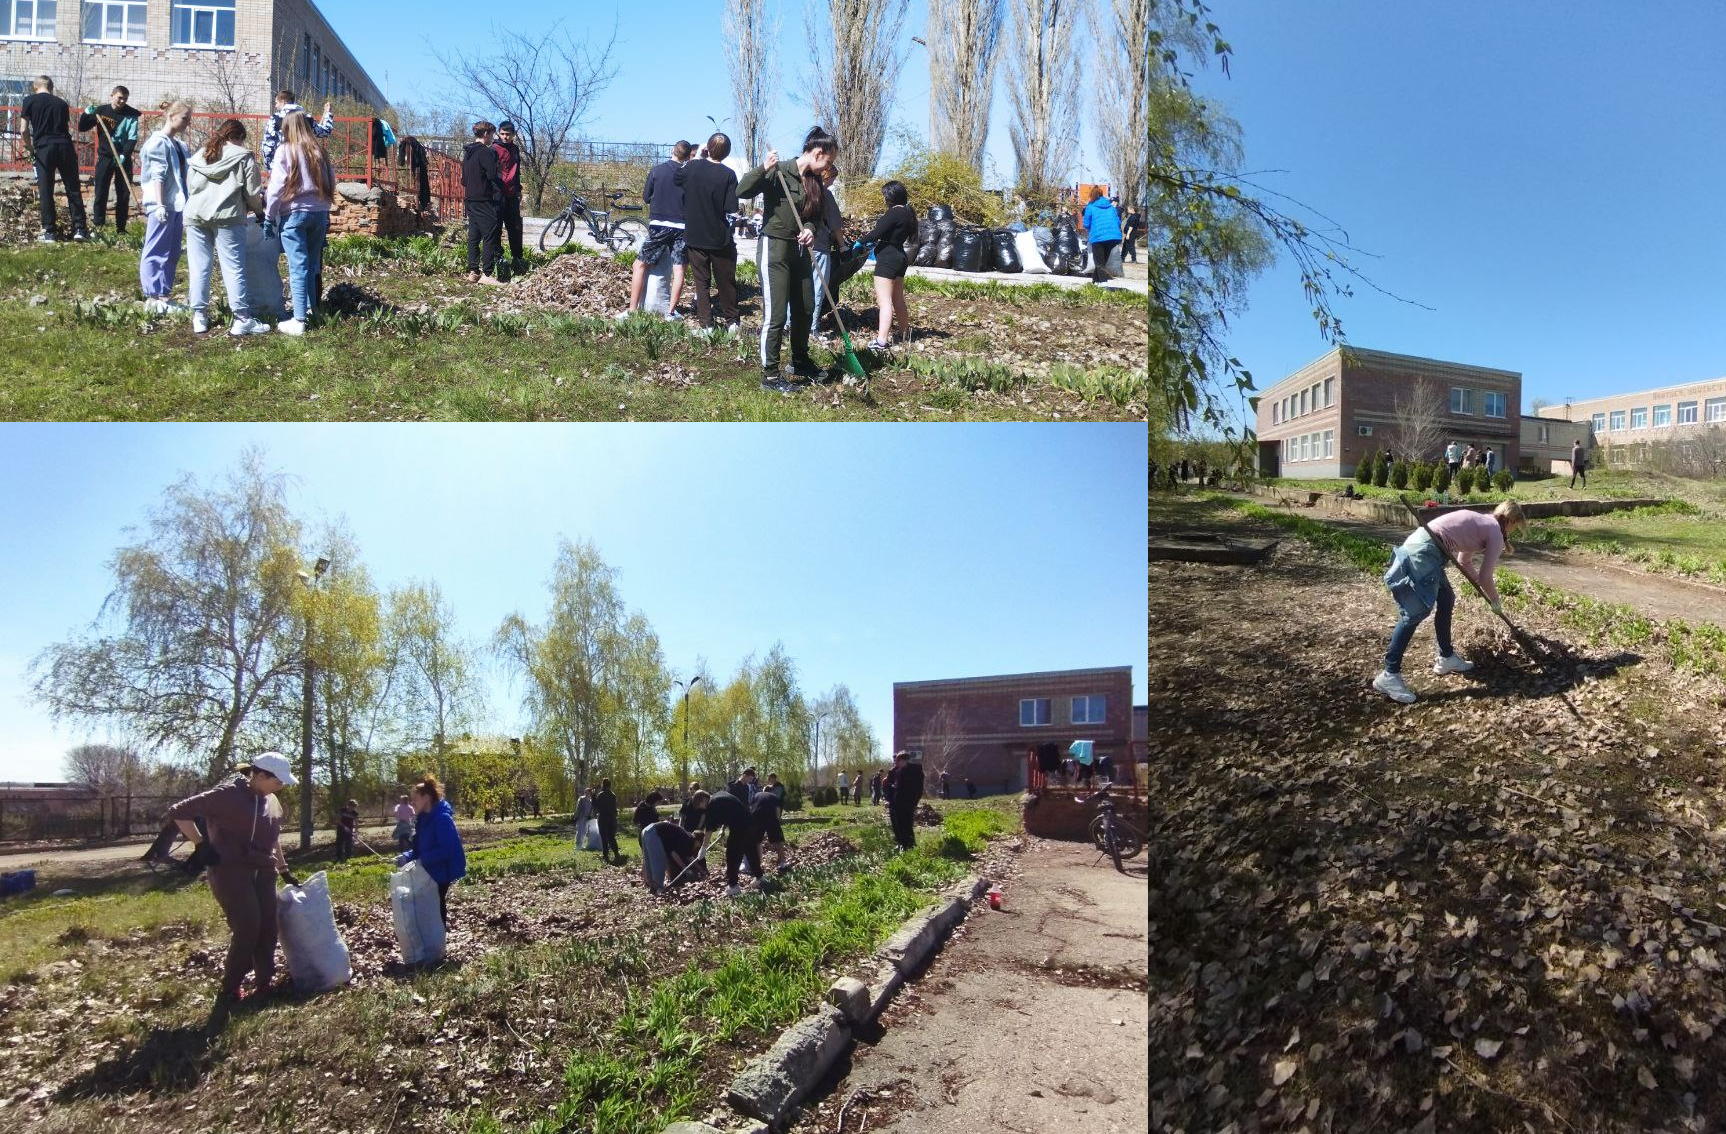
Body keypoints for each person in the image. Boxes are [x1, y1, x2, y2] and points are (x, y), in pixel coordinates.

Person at [165, 751, 298, 1005]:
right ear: (259, 775)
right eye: (277, 781)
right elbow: (179, 811)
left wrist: (284, 869)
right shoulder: (227, 795)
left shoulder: (271, 801)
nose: (280, 787)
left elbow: (274, 837)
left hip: (264, 871)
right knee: (248, 926)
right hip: (231, 871)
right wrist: (201, 844)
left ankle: (264, 982)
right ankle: (231, 988)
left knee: (269, 927)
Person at [1374, 501, 1527, 705]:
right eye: (1515, 528)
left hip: (1427, 545)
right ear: (1510, 521)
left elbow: (1465, 562)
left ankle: (1446, 657)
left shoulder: (1483, 523)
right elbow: (1486, 576)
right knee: (1415, 612)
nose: (1512, 532)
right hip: (1427, 550)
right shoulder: (1496, 533)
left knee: (1446, 599)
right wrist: (1495, 600)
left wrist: (1481, 587)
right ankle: (1389, 674)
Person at [738, 129, 840, 390]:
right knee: (776, 314)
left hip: (800, 251)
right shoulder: (779, 170)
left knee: (806, 307)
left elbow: (813, 216)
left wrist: (809, 229)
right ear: (818, 153)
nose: (828, 168)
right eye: (828, 162)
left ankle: (800, 361)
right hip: (775, 249)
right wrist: (763, 168)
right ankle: (770, 375)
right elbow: (743, 190)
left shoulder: (814, 181)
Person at [186, 118, 270, 338]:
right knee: (233, 267)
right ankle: (242, 319)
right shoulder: (243, 156)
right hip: (227, 216)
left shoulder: (200, 155)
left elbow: (190, 186)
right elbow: (253, 192)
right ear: (239, 137)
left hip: (195, 215)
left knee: (199, 267)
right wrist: (260, 213)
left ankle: (199, 317)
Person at [265, 111, 334, 336]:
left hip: (293, 214)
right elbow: (331, 180)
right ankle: (312, 311)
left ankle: (299, 319)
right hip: (319, 213)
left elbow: (276, 186)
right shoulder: (319, 150)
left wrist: (269, 215)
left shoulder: (285, 150)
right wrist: (325, 207)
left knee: (297, 266)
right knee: (312, 265)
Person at [677, 132, 741, 335]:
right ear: (727, 153)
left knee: (701, 283)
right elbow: (731, 207)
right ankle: (732, 323)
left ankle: (707, 326)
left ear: (708, 149)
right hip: (719, 237)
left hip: (695, 235)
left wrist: (696, 158)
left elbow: (677, 177)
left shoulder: (694, 167)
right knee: (726, 282)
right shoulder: (729, 174)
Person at [621, 140, 692, 319]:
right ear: (687, 157)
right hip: (682, 227)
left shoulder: (657, 170)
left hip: (659, 225)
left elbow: (646, 197)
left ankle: (632, 310)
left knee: (639, 265)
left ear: (672, 151)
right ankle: (670, 312)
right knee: (679, 270)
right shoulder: (689, 175)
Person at [138, 100, 192, 313]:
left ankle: (164, 295)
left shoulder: (180, 145)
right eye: (184, 118)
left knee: (172, 250)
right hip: (162, 204)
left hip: (177, 204)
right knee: (156, 249)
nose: (188, 122)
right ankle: (152, 296)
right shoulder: (157, 142)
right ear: (172, 116)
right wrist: (159, 204)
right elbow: (157, 176)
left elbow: (185, 174)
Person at [20, 76, 89, 242]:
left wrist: (29, 147)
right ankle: (80, 229)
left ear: (35, 86)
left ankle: (50, 232)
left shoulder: (29, 100)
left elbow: (23, 129)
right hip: (65, 146)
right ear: (52, 87)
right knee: (72, 187)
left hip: (44, 148)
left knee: (46, 190)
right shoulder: (62, 103)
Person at [395, 774, 467, 927]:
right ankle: (433, 942)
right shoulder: (423, 819)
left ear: (426, 798)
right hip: (428, 871)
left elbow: (446, 849)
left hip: (441, 872)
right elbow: (419, 848)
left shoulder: (442, 819)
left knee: (436, 909)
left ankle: (438, 944)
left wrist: (421, 860)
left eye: (415, 799)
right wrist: (406, 856)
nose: (412, 803)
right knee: (428, 910)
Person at [859, 180, 916, 351]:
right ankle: (906, 334)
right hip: (900, 257)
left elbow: (877, 233)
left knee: (884, 301)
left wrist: (858, 242)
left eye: (885, 196)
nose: (884, 199)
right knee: (898, 299)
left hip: (888, 259)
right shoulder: (908, 213)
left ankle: (881, 342)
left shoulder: (894, 213)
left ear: (891, 196)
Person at [79, 85, 142, 235]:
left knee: (123, 193)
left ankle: (121, 229)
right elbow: (82, 127)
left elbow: (132, 138)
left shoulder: (132, 114)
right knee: (101, 192)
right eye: (120, 97)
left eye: (125, 99)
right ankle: (98, 227)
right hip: (105, 157)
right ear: (112, 95)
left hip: (123, 158)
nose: (122, 101)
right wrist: (86, 114)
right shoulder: (101, 111)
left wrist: (124, 155)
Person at [692, 788, 762, 897]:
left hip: (739, 828)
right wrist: (722, 829)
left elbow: (709, 830)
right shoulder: (720, 794)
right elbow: (729, 811)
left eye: (700, 806)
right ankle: (760, 877)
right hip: (750, 824)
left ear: (703, 800)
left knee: (732, 855)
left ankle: (733, 886)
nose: (702, 809)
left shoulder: (711, 806)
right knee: (750, 851)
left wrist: (703, 848)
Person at [461, 121, 506, 286]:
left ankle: (473, 272)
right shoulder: (485, 152)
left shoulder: (468, 153)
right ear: (486, 134)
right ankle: (487, 274)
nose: (493, 138)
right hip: (483, 198)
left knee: (474, 234)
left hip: (470, 198)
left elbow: (463, 180)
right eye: (493, 134)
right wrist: (502, 189)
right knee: (491, 233)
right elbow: (493, 176)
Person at [260, 89, 333, 170]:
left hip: (281, 164)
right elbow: (325, 131)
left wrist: (270, 167)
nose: (275, 106)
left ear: (283, 101)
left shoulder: (275, 119)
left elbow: (267, 145)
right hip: (305, 163)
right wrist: (328, 113)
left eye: (276, 103)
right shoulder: (306, 117)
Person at [809, 166, 842, 339]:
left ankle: (789, 324)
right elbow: (835, 224)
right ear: (827, 176)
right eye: (833, 178)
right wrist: (842, 245)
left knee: (797, 288)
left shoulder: (804, 189)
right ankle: (812, 328)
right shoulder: (825, 195)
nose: (833, 182)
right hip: (819, 246)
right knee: (817, 288)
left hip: (800, 245)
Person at [492, 121, 527, 274]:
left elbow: (516, 171)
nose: (505, 137)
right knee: (496, 227)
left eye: (508, 134)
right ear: (499, 133)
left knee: (515, 227)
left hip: (512, 194)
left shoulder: (515, 150)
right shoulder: (493, 149)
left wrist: (518, 189)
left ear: (513, 135)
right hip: (497, 195)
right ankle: (498, 258)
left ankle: (517, 258)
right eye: (503, 134)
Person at [641, 817, 700, 895]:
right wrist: (685, 869)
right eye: (699, 844)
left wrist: (701, 870)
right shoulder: (687, 840)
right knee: (658, 861)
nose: (698, 847)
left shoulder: (685, 836)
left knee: (649, 860)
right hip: (654, 832)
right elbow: (673, 854)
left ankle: (652, 886)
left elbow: (689, 858)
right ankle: (659, 888)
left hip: (646, 830)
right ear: (697, 841)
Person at [883, 750, 924, 851]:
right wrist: (888, 799)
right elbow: (890, 787)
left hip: (907, 802)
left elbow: (918, 788)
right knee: (897, 824)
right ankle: (902, 843)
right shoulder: (894, 771)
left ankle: (908, 845)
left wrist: (915, 801)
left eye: (898, 760)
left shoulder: (915, 771)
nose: (897, 763)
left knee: (906, 824)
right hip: (895, 802)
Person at [1080, 188, 1122, 284]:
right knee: (1102, 262)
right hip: (1113, 237)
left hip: (1098, 236)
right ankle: (1095, 282)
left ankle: (1103, 284)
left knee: (1099, 262)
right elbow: (1118, 222)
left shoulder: (1090, 206)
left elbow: (1086, 224)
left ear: (1092, 195)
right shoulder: (1111, 206)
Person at [750, 784, 788, 874]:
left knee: (757, 841)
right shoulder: (774, 796)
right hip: (770, 817)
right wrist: (777, 822)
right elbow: (777, 810)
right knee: (779, 841)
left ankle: (757, 865)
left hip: (756, 817)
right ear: (772, 791)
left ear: (763, 790)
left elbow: (751, 808)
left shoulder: (756, 795)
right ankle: (782, 864)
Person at [595, 778, 621, 864]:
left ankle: (605, 854)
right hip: (612, 818)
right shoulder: (613, 795)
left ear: (603, 784)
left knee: (604, 837)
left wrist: (593, 796)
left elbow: (596, 807)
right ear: (610, 785)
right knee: (611, 836)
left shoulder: (601, 795)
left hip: (603, 818)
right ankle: (616, 853)